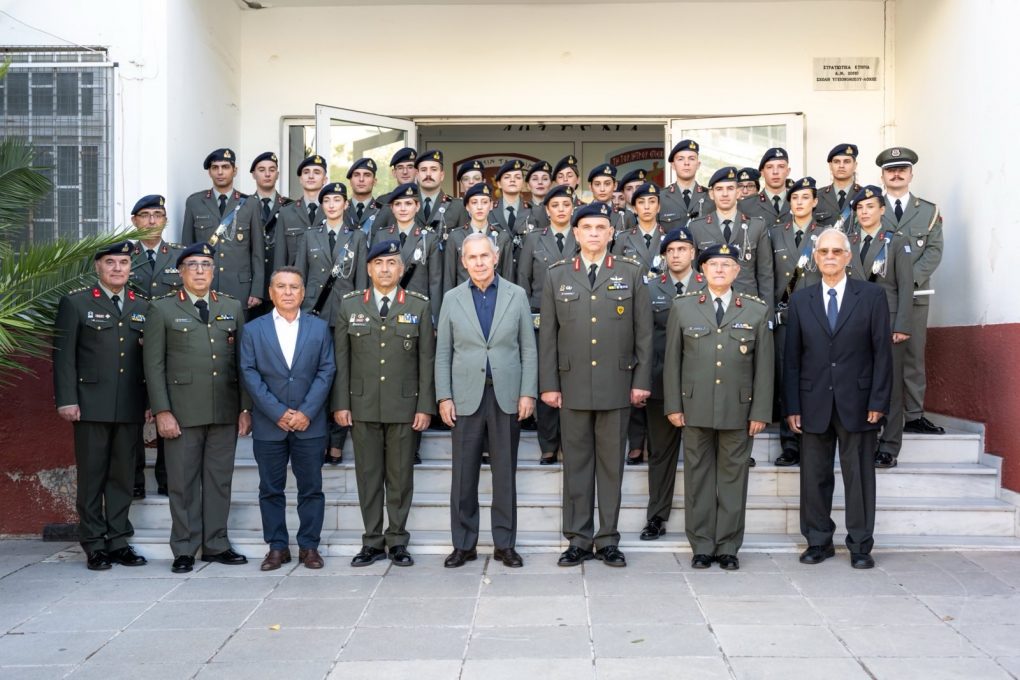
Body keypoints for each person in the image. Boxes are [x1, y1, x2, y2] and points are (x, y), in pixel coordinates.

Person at [539, 202, 652, 568]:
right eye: (586, 227)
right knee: (576, 466)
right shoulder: (557, 275)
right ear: (576, 233)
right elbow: (548, 337)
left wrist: (640, 381)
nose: (593, 233)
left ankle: (607, 539)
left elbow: (644, 334)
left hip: (616, 384)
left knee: (611, 467)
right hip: (571, 385)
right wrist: (549, 384)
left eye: (600, 227)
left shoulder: (630, 272)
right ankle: (578, 539)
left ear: (611, 233)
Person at [784, 228, 892, 570]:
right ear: (815, 258)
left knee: (858, 478)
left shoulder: (872, 296)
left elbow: (882, 353)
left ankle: (860, 545)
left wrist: (878, 401)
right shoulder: (801, 299)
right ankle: (818, 542)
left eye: (836, 251)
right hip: (812, 401)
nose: (829, 256)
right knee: (814, 477)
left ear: (848, 256)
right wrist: (792, 406)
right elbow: (792, 358)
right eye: (823, 251)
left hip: (858, 402)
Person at [143, 242, 252, 573]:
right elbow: (153, 366)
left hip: (224, 409)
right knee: (183, 482)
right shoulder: (162, 309)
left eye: (206, 265)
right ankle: (185, 547)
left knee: (219, 481)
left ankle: (216, 544)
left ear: (214, 271)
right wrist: (162, 411)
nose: (200, 271)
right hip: (182, 412)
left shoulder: (231, 306)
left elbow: (242, 361)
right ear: (181, 272)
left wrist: (244, 408)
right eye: (192, 265)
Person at [663, 244, 773, 570]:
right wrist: (673, 405)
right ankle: (701, 545)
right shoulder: (683, 307)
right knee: (697, 479)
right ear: (703, 271)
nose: (720, 270)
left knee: (733, 480)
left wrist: (760, 412)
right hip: (694, 407)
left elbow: (765, 367)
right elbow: (672, 361)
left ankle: (727, 546)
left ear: (737, 271)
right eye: (714, 265)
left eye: (727, 265)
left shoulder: (755, 310)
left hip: (738, 410)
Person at [435, 233, 537, 568]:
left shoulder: (516, 295)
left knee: (504, 475)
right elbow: (443, 353)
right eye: (472, 257)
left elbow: (528, 348)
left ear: (496, 257)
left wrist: (527, 392)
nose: (479, 262)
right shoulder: (451, 299)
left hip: (506, 396)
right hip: (466, 396)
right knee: (463, 476)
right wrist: (444, 396)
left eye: (484, 256)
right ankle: (464, 545)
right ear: (463, 262)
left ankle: (504, 544)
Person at [332, 241, 435, 568]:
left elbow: (426, 360)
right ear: (368, 269)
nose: (385, 269)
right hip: (362, 405)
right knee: (368, 476)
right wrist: (341, 403)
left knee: (401, 477)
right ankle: (372, 541)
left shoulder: (418, 306)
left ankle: (398, 540)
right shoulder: (350, 305)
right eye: (379, 263)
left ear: (401, 269)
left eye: (392, 263)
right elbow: (341, 361)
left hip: (404, 406)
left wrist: (425, 406)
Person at [54, 241, 149, 570]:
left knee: (123, 477)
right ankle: (94, 543)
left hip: (129, 404)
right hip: (90, 405)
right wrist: (67, 399)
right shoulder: (76, 303)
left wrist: (149, 402)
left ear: (130, 268)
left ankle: (119, 540)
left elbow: (148, 360)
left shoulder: (142, 305)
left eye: (123, 262)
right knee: (92, 476)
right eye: (110, 262)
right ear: (98, 267)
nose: (118, 268)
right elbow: (64, 357)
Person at [239, 267, 335, 570]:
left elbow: (327, 370)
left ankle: (309, 546)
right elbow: (249, 373)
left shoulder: (319, 328)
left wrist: (306, 412)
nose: (288, 292)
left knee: (311, 489)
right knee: (270, 489)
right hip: (270, 424)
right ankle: (277, 547)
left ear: (303, 293)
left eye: (294, 287)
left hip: (310, 423)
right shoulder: (253, 330)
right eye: (281, 286)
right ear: (271, 292)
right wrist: (277, 412)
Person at [639, 227, 704, 541]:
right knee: (661, 454)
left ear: (693, 253)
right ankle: (656, 517)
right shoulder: (650, 288)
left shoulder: (710, 284)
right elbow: (642, 339)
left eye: (682, 249)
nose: (676, 255)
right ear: (664, 256)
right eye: (671, 250)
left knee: (700, 456)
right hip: (661, 383)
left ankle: (701, 520)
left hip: (702, 384)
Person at [877, 146, 945, 436]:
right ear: (882, 176)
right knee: (877, 354)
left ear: (911, 174)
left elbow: (933, 251)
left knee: (913, 355)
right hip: (879, 296)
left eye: (902, 169)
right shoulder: (870, 207)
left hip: (915, 295)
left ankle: (914, 414)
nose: (896, 174)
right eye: (891, 170)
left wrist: (908, 281)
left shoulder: (928, 211)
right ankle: (879, 412)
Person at [846, 186, 914, 468]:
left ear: (882, 209)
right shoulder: (848, 241)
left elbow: (906, 286)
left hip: (888, 320)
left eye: (870, 206)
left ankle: (889, 445)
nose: (864, 212)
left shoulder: (896, 241)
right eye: (860, 208)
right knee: (861, 380)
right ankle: (868, 439)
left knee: (891, 383)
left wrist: (903, 324)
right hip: (855, 322)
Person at [517, 184, 578, 465]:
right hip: (541, 317)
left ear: (573, 208)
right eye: (555, 205)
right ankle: (548, 444)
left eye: (566, 205)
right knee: (547, 378)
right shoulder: (533, 239)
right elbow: (523, 281)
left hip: (578, 316)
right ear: (547, 210)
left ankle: (571, 442)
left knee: (573, 378)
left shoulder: (582, 235)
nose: (561, 210)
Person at [771, 177, 830, 468]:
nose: (799, 202)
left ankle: (814, 438)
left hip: (818, 318)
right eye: (795, 198)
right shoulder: (774, 233)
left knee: (817, 377)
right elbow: (767, 275)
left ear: (815, 202)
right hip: (784, 317)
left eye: (805, 197)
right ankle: (790, 443)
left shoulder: (827, 235)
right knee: (788, 378)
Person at [127, 194, 182, 498]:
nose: (152, 220)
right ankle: (135, 479)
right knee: (132, 411)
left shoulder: (179, 256)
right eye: (145, 215)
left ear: (165, 220)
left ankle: (166, 478)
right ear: (134, 221)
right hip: (130, 343)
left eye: (157, 215)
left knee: (167, 406)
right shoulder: (124, 255)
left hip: (170, 345)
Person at [181, 148, 265, 313]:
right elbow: (187, 247)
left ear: (235, 171)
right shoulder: (194, 202)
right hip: (203, 285)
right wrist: (186, 284)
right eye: (215, 167)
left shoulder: (250, 204)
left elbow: (258, 252)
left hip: (239, 288)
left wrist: (257, 290)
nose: (220, 172)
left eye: (225, 167)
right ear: (209, 172)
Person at [371, 183, 444, 323]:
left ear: (417, 206)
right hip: (386, 309)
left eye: (408, 203)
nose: (403, 209)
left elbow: (435, 282)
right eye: (398, 204)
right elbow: (373, 276)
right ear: (392, 208)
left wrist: (435, 320)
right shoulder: (381, 236)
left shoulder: (429, 238)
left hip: (418, 309)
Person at [443, 182, 514, 294]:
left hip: (495, 297)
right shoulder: (456, 236)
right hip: (464, 297)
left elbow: (508, 276)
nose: (479, 207)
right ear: (467, 207)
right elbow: (449, 277)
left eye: (484, 202)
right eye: (474, 202)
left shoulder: (502, 236)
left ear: (491, 205)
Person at [247, 151, 291, 317]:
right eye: (261, 170)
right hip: (251, 286)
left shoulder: (290, 206)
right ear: (253, 174)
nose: (267, 174)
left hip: (282, 284)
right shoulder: (243, 206)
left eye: (272, 170)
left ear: (277, 174)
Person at [274, 154, 328, 268]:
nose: (311, 176)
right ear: (300, 179)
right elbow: (280, 257)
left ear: (325, 180)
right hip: (295, 277)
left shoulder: (336, 211)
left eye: (317, 172)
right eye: (306, 172)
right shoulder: (286, 212)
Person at [660, 139, 714, 230]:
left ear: (698, 164)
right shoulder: (660, 197)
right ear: (673, 165)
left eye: (691, 159)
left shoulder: (711, 197)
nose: (686, 163)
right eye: (680, 159)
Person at [415, 149, 466, 234]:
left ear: (442, 175)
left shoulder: (458, 207)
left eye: (434, 169)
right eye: (423, 170)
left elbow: (463, 239)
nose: (428, 174)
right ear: (417, 175)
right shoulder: (405, 204)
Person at [739, 147, 792, 227]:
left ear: (788, 171)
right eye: (769, 167)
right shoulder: (745, 205)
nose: (775, 172)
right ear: (762, 172)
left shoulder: (799, 202)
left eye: (781, 166)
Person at [815, 144, 862, 227]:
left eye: (847, 161)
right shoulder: (817, 197)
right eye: (836, 162)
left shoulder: (864, 195)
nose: (841, 166)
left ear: (855, 165)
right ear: (830, 166)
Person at [345, 157, 384, 238]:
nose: (361, 179)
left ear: (374, 181)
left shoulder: (385, 211)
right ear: (350, 181)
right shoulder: (340, 210)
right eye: (356, 175)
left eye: (367, 175)